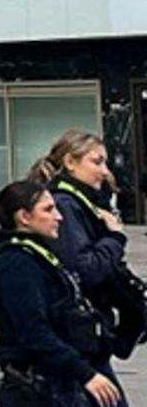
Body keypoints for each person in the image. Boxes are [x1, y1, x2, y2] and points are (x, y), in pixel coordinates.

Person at [0, 178, 123, 407]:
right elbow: (33, 332)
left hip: (52, 383)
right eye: (48, 210)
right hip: (39, 388)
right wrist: (86, 373)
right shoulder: (17, 264)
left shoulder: (32, 255)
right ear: (24, 217)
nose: (58, 216)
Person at [36, 130, 147, 360]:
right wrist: (115, 238)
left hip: (86, 331)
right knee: (105, 395)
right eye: (97, 162)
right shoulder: (65, 205)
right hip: (77, 335)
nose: (105, 172)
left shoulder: (82, 202)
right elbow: (84, 268)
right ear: (70, 162)